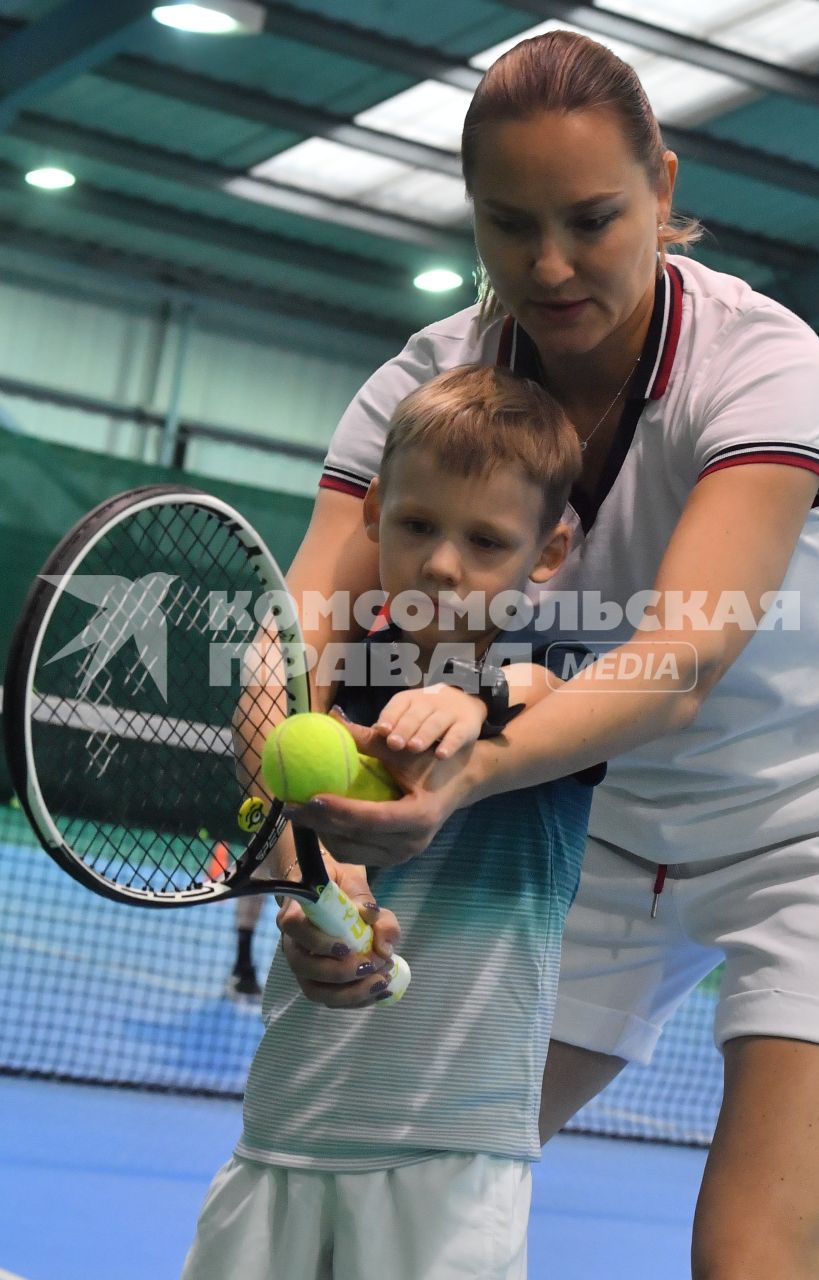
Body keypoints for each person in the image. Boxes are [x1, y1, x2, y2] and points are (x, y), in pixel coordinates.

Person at [277, 30, 819, 1280]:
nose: (549, 264)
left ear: (665, 189)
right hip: (598, 841)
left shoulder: (759, 366)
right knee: (395, 1173)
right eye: (508, 223)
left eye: (592, 219)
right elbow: (294, 653)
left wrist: (472, 770)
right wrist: (314, 875)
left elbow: (682, 657)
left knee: (750, 1257)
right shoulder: (426, 389)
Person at [182, 365, 602, 1280]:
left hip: (455, 1159)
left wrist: (478, 701)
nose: (444, 563)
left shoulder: (558, 667)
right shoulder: (325, 702)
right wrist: (321, 887)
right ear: (373, 514)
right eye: (417, 526)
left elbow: (553, 696)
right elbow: (280, 811)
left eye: (486, 540)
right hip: (286, 1132)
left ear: (549, 551)